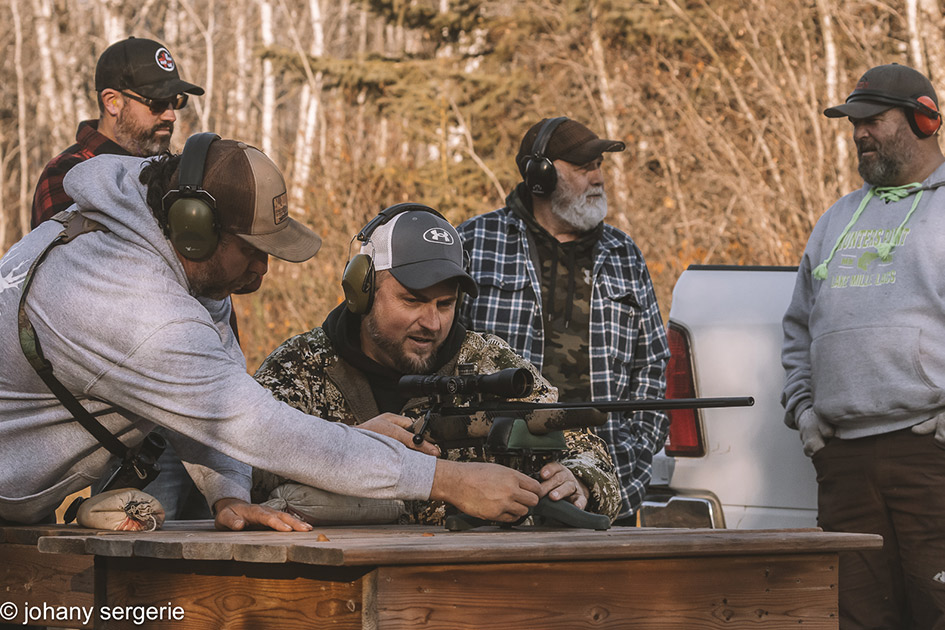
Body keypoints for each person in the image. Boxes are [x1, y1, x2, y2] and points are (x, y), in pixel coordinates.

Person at [0, 134, 543, 531]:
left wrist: (227, 493)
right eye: (254, 251)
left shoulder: (158, 251)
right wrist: (447, 480)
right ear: (194, 229)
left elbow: (207, 400)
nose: (264, 271)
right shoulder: (128, 302)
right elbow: (260, 426)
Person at [252, 205, 621, 525]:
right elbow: (242, 467)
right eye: (412, 301)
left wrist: (579, 480)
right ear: (362, 291)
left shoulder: (489, 362)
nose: (433, 323)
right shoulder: (300, 368)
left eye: (445, 304)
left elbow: (585, 446)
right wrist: (350, 447)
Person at [781, 63, 945, 629]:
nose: (859, 134)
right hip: (843, 462)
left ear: (925, 121)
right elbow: (798, 326)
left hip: (931, 457)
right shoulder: (837, 218)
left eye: (873, 120)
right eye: (853, 124)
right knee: (854, 617)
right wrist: (804, 411)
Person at [457, 117, 670, 525]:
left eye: (600, 165)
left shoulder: (624, 253)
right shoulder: (474, 243)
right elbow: (441, 357)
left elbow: (652, 369)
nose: (598, 177)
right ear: (541, 176)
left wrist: (627, 473)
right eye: (585, 166)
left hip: (606, 485)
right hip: (494, 485)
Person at [32, 36, 203, 228]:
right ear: (112, 102)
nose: (171, 116)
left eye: (176, 102)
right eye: (158, 103)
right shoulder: (66, 174)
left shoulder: (173, 171)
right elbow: (72, 255)